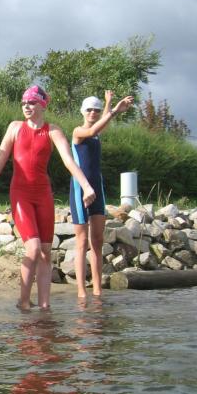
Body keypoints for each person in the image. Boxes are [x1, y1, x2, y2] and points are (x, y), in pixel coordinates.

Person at [0, 85, 96, 311]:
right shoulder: (15, 128)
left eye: (31, 102)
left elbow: (69, 161)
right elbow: (0, 160)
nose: (26, 106)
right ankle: (23, 301)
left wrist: (86, 186)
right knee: (32, 248)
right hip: (20, 194)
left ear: (42, 105)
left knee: (45, 252)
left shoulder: (53, 131)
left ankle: (44, 307)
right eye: (24, 103)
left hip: (43, 195)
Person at [70, 90, 134, 299]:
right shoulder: (79, 131)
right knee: (82, 242)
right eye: (89, 109)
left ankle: (97, 291)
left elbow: (100, 126)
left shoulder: (97, 133)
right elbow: (92, 130)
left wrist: (108, 103)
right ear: (82, 111)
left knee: (97, 241)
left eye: (96, 110)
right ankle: (82, 291)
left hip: (97, 189)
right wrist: (114, 110)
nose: (93, 113)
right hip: (80, 189)